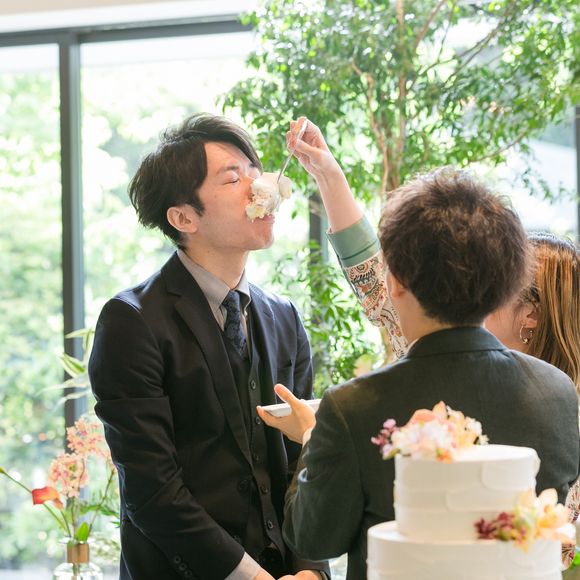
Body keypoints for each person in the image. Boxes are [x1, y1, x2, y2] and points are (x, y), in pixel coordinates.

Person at [257, 120, 580, 579]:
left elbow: (312, 538)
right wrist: (328, 174)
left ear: (397, 283)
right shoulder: (559, 392)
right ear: (507, 281)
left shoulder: (351, 407)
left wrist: (312, 436)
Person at [88, 114, 329, 580]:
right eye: (233, 178)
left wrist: (311, 569)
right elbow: (153, 491)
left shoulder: (284, 316)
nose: (259, 188)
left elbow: (303, 461)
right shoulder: (131, 322)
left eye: (255, 172)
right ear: (183, 217)